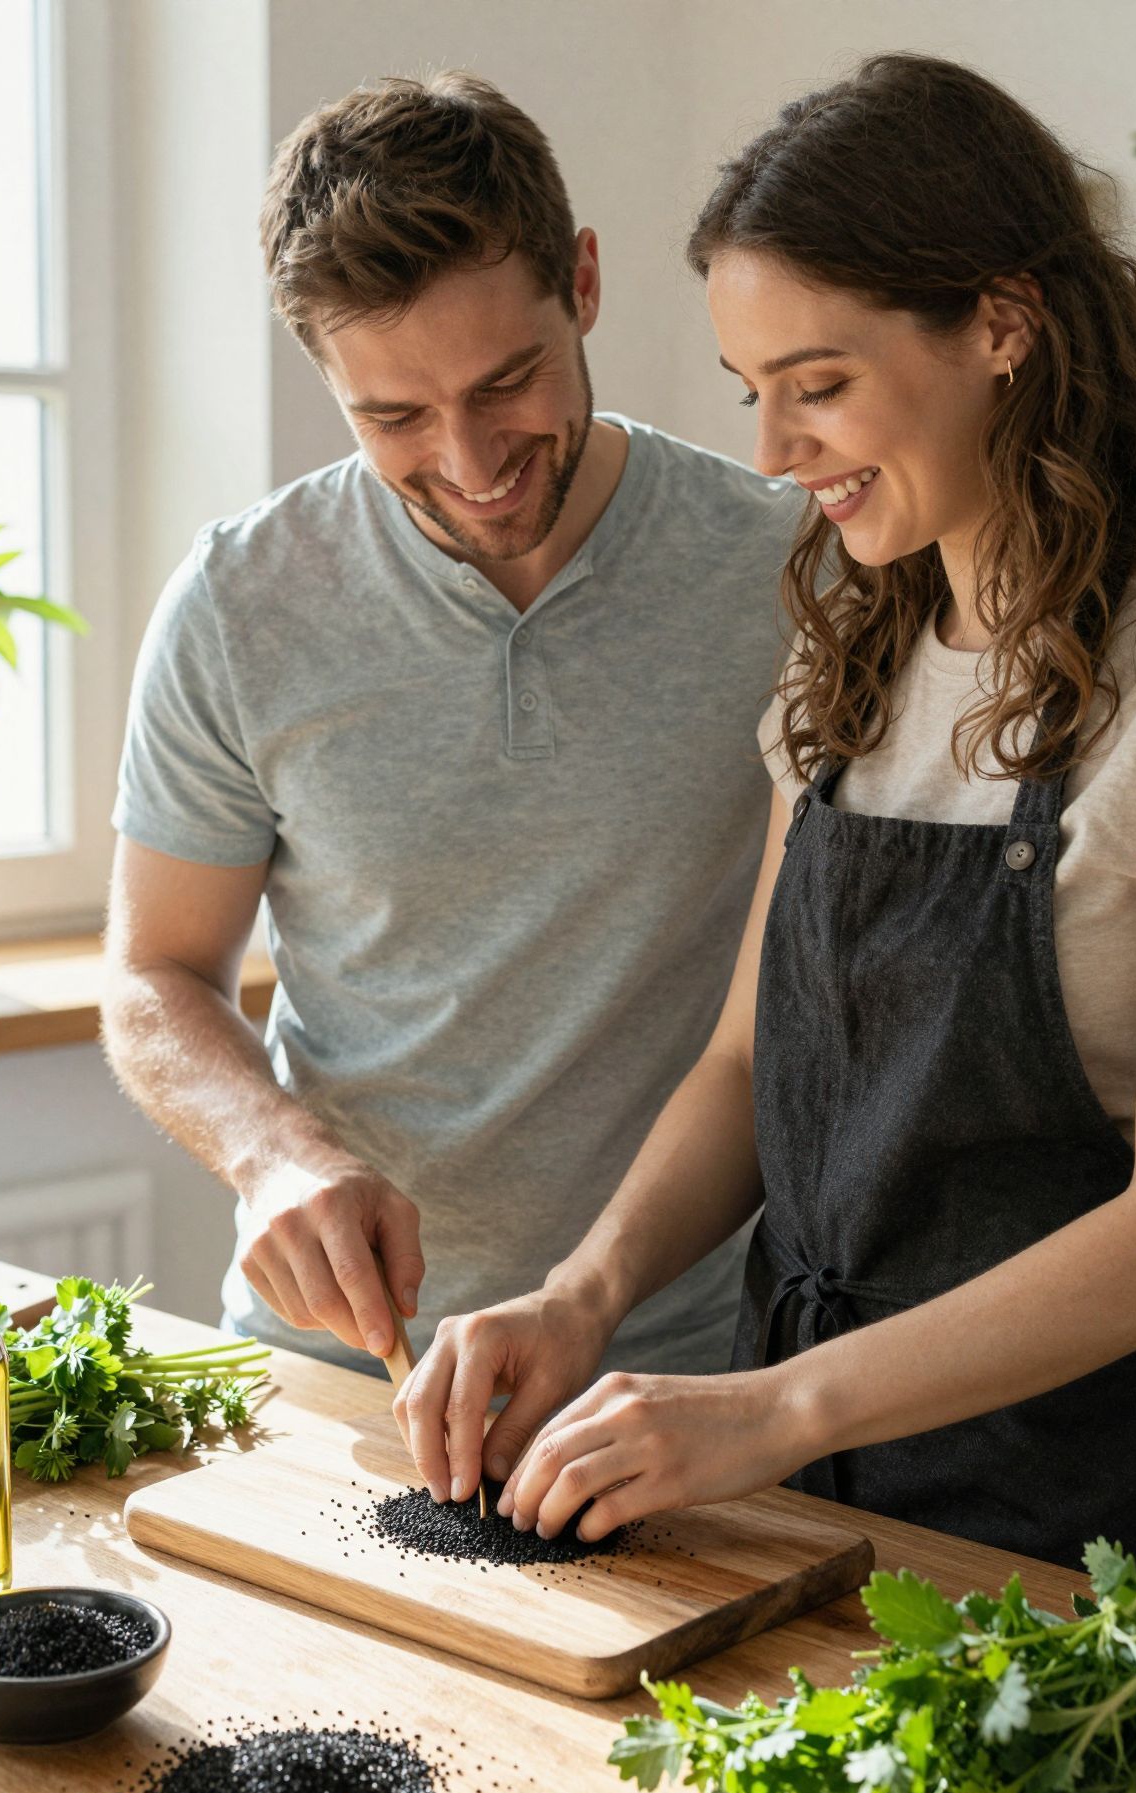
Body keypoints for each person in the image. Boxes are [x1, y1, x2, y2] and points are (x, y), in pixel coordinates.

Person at [401, 54, 1136, 1595]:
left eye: (820, 385)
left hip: (1102, 1565)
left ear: (1000, 326)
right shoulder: (851, 651)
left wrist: (768, 1408)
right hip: (815, 1520)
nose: (774, 452)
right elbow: (754, 1059)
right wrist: (583, 1294)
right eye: (758, 395)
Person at [102, 73, 801, 1386]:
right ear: (323, 378)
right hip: (342, 1366)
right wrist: (272, 1155)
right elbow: (155, 976)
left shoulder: (783, 568)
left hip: (688, 1371)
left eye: (511, 381)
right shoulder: (239, 601)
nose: (474, 462)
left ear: (582, 283)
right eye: (395, 418)